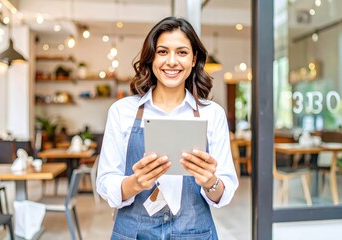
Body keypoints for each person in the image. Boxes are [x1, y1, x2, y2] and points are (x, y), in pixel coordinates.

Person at [97, 16, 238, 239]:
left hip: (195, 232)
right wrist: (135, 183)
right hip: (134, 232)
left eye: (181, 52)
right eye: (162, 52)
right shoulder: (122, 111)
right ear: (151, 57)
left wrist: (210, 181)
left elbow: (224, 192)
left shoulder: (213, 113)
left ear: (194, 59)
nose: (172, 61)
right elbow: (105, 183)